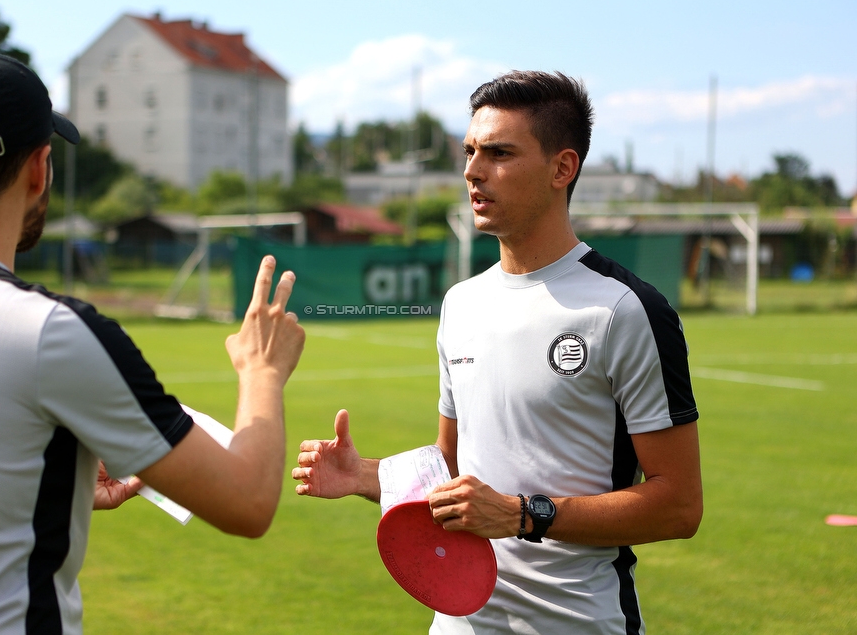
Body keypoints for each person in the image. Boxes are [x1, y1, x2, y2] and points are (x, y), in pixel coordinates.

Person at [0, 49, 305, 634]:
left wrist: (40, 471)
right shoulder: (54, 332)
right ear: (39, 169)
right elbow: (248, 502)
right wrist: (262, 370)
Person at [292, 71, 702, 634]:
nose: (472, 171)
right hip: (460, 617)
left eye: (499, 153)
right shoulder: (461, 302)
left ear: (563, 168)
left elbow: (679, 505)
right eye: (469, 151)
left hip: (577, 620)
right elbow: (455, 469)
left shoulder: (625, 310)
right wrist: (370, 477)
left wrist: (519, 515)